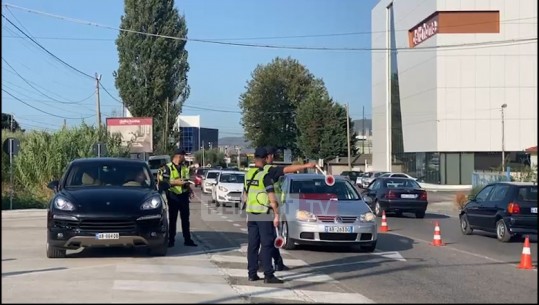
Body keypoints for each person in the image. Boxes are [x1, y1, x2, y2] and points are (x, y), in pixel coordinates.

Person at [244, 147, 316, 283]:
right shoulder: (268, 172)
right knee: (267, 244)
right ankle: (268, 275)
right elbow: (286, 172)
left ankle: (252, 273)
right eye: (270, 157)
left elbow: (245, 195)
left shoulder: (248, 173)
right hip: (264, 214)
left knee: (252, 245)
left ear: (254, 158)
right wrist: (307, 165)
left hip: (251, 213)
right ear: (266, 158)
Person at [158, 149, 197, 247]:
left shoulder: (184, 167)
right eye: (183, 156)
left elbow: (186, 180)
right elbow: (164, 183)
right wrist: (177, 182)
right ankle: (171, 240)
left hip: (184, 196)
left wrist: (190, 190)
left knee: (185, 219)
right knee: (173, 219)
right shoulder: (167, 168)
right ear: (179, 156)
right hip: (173, 196)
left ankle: (187, 240)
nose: (184, 158)